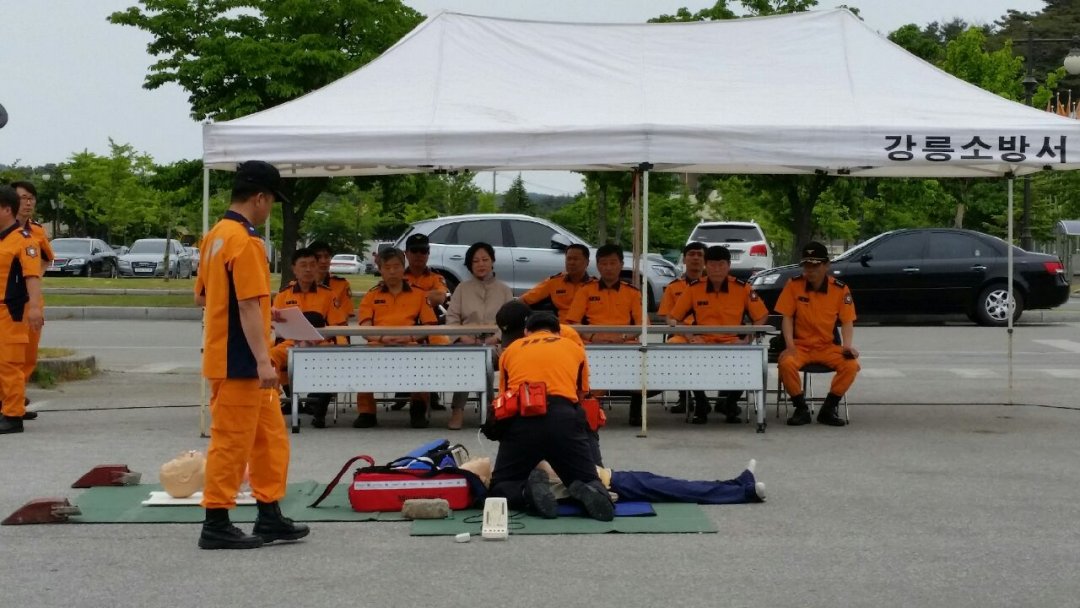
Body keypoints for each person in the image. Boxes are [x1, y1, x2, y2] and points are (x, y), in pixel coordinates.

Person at [194, 161, 309, 550]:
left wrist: (262, 312)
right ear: (260, 198)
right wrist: (263, 360)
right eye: (272, 200)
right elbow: (244, 303)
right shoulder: (245, 241)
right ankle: (216, 521)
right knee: (232, 442)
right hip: (241, 360)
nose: (270, 208)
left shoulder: (215, 236)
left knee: (269, 440)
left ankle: (269, 513)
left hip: (232, 353)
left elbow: (205, 297)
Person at [487, 311, 615, 521]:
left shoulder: (510, 351)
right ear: (558, 331)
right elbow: (581, 393)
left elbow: (504, 398)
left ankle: (525, 492)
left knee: (500, 486)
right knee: (588, 478)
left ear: (526, 331)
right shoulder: (574, 348)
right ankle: (591, 491)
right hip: (564, 418)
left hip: (523, 419)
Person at [668, 246, 769, 424]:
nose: (716, 269)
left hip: (733, 342)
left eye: (721, 264)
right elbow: (673, 318)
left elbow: (761, 316)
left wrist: (747, 339)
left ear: (728, 266)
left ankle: (730, 403)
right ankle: (701, 402)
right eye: (712, 265)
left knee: (754, 361)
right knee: (679, 352)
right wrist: (690, 337)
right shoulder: (694, 288)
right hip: (703, 342)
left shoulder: (742, 288)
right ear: (706, 266)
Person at [354, 247, 442, 429]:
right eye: (387, 267)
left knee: (421, 359)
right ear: (380, 269)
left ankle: (418, 408)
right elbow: (364, 327)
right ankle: (366, 411)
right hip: (378, 343)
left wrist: (409, 336)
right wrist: (382, 337)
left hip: (410, 343)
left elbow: (429, 326)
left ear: (403, 268)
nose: (392, 271)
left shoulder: (419, 294)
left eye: (396, 266)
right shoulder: (371, 295)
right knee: (362, 359)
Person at [774, 241, 859, 427]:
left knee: (851, 365)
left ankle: (828, 409)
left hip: (826, 346)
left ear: (826, 265)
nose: (810, 270)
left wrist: (847, 346)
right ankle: (801, 408)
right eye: (806, 265)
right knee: (786, 364)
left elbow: (847, 321)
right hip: (800, 346)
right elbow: (787, 317)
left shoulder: (839, 289)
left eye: (815, 265)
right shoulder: (794, 285)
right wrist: (789, 346)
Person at [565, 244, 646, 425]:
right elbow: (572, 323)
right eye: (604, 263)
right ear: (598, 265)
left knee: (641, 355)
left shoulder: (632, 293)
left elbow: (643, 325)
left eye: (613, 263)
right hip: (593, 343)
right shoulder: (586, 290)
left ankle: (637, 408)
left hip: (625, 343)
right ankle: (592, 406)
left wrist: (623, 338)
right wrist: (593, 337)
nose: (608, 267)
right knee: (581, 355)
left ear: (621, 264)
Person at [269, 247, 342, 428]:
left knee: (335, 357)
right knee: (270, 357)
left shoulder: (328, 295)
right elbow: (275, 328)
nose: (308, 269)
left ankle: (320, 409)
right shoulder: (283, 295)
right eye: (303, 265)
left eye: (312, 265)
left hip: (320, 342)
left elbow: (338, 326)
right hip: (291, 343)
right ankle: (272, 405)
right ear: (294, 269)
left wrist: (335, 343)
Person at [444, 242, 513, 430]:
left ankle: (482, 408)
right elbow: (452, 319)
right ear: (469, 265)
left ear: (492, 261)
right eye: (475, 261)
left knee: (485, 358)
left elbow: (511, 321)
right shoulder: (462, 289)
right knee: (472, 358)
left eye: (485, 259)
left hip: (496, 344)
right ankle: (481, 409)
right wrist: (463, 337)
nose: (481, 264)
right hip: (466, 344)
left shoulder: (504, 290)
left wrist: (496, 338)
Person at [0, 185, 45, 434]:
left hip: (12, 311)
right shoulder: (2, 239)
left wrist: (35, 308)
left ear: (7, 209)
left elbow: (32, 276)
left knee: (10, 363)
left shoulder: (24, 241)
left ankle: (13, 415)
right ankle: (5, 406)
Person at [10, 181, 53, 421]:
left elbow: (46, 257)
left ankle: (15, 400)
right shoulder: (5, 231)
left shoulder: (36, 231)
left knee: (28, 355)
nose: (28, 203)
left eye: (31, 198)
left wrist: (33, 278)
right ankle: (10, 402)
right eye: (23, 198)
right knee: (8, 355)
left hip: (31, 302)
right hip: (8, 303)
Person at [657, 241, 706, 416]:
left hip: (710, 335)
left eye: (700, 255)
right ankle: (686, 397)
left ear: (705, 260)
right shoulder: (673, 287)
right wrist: (687, 333)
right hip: (682, 335)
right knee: (674, 348)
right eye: (691, 254)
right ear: (684, 259)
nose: (695, 258)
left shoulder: (713, 285)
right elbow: (667, 317)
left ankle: (727, 400)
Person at [520, 243, 594, 322]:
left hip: (589, 327)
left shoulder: (595, 285)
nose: (571, 262)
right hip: (561, 326)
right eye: (568, 259)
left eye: (575, 259)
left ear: (587, 262)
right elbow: (523, 300)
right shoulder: (554, 282)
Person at [308, 241, 354, 326]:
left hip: (334, 330)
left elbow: (344, 317)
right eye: (318, 257)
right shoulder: (299, 286)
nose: (323, 261)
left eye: (327, 257)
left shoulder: (341, 284)